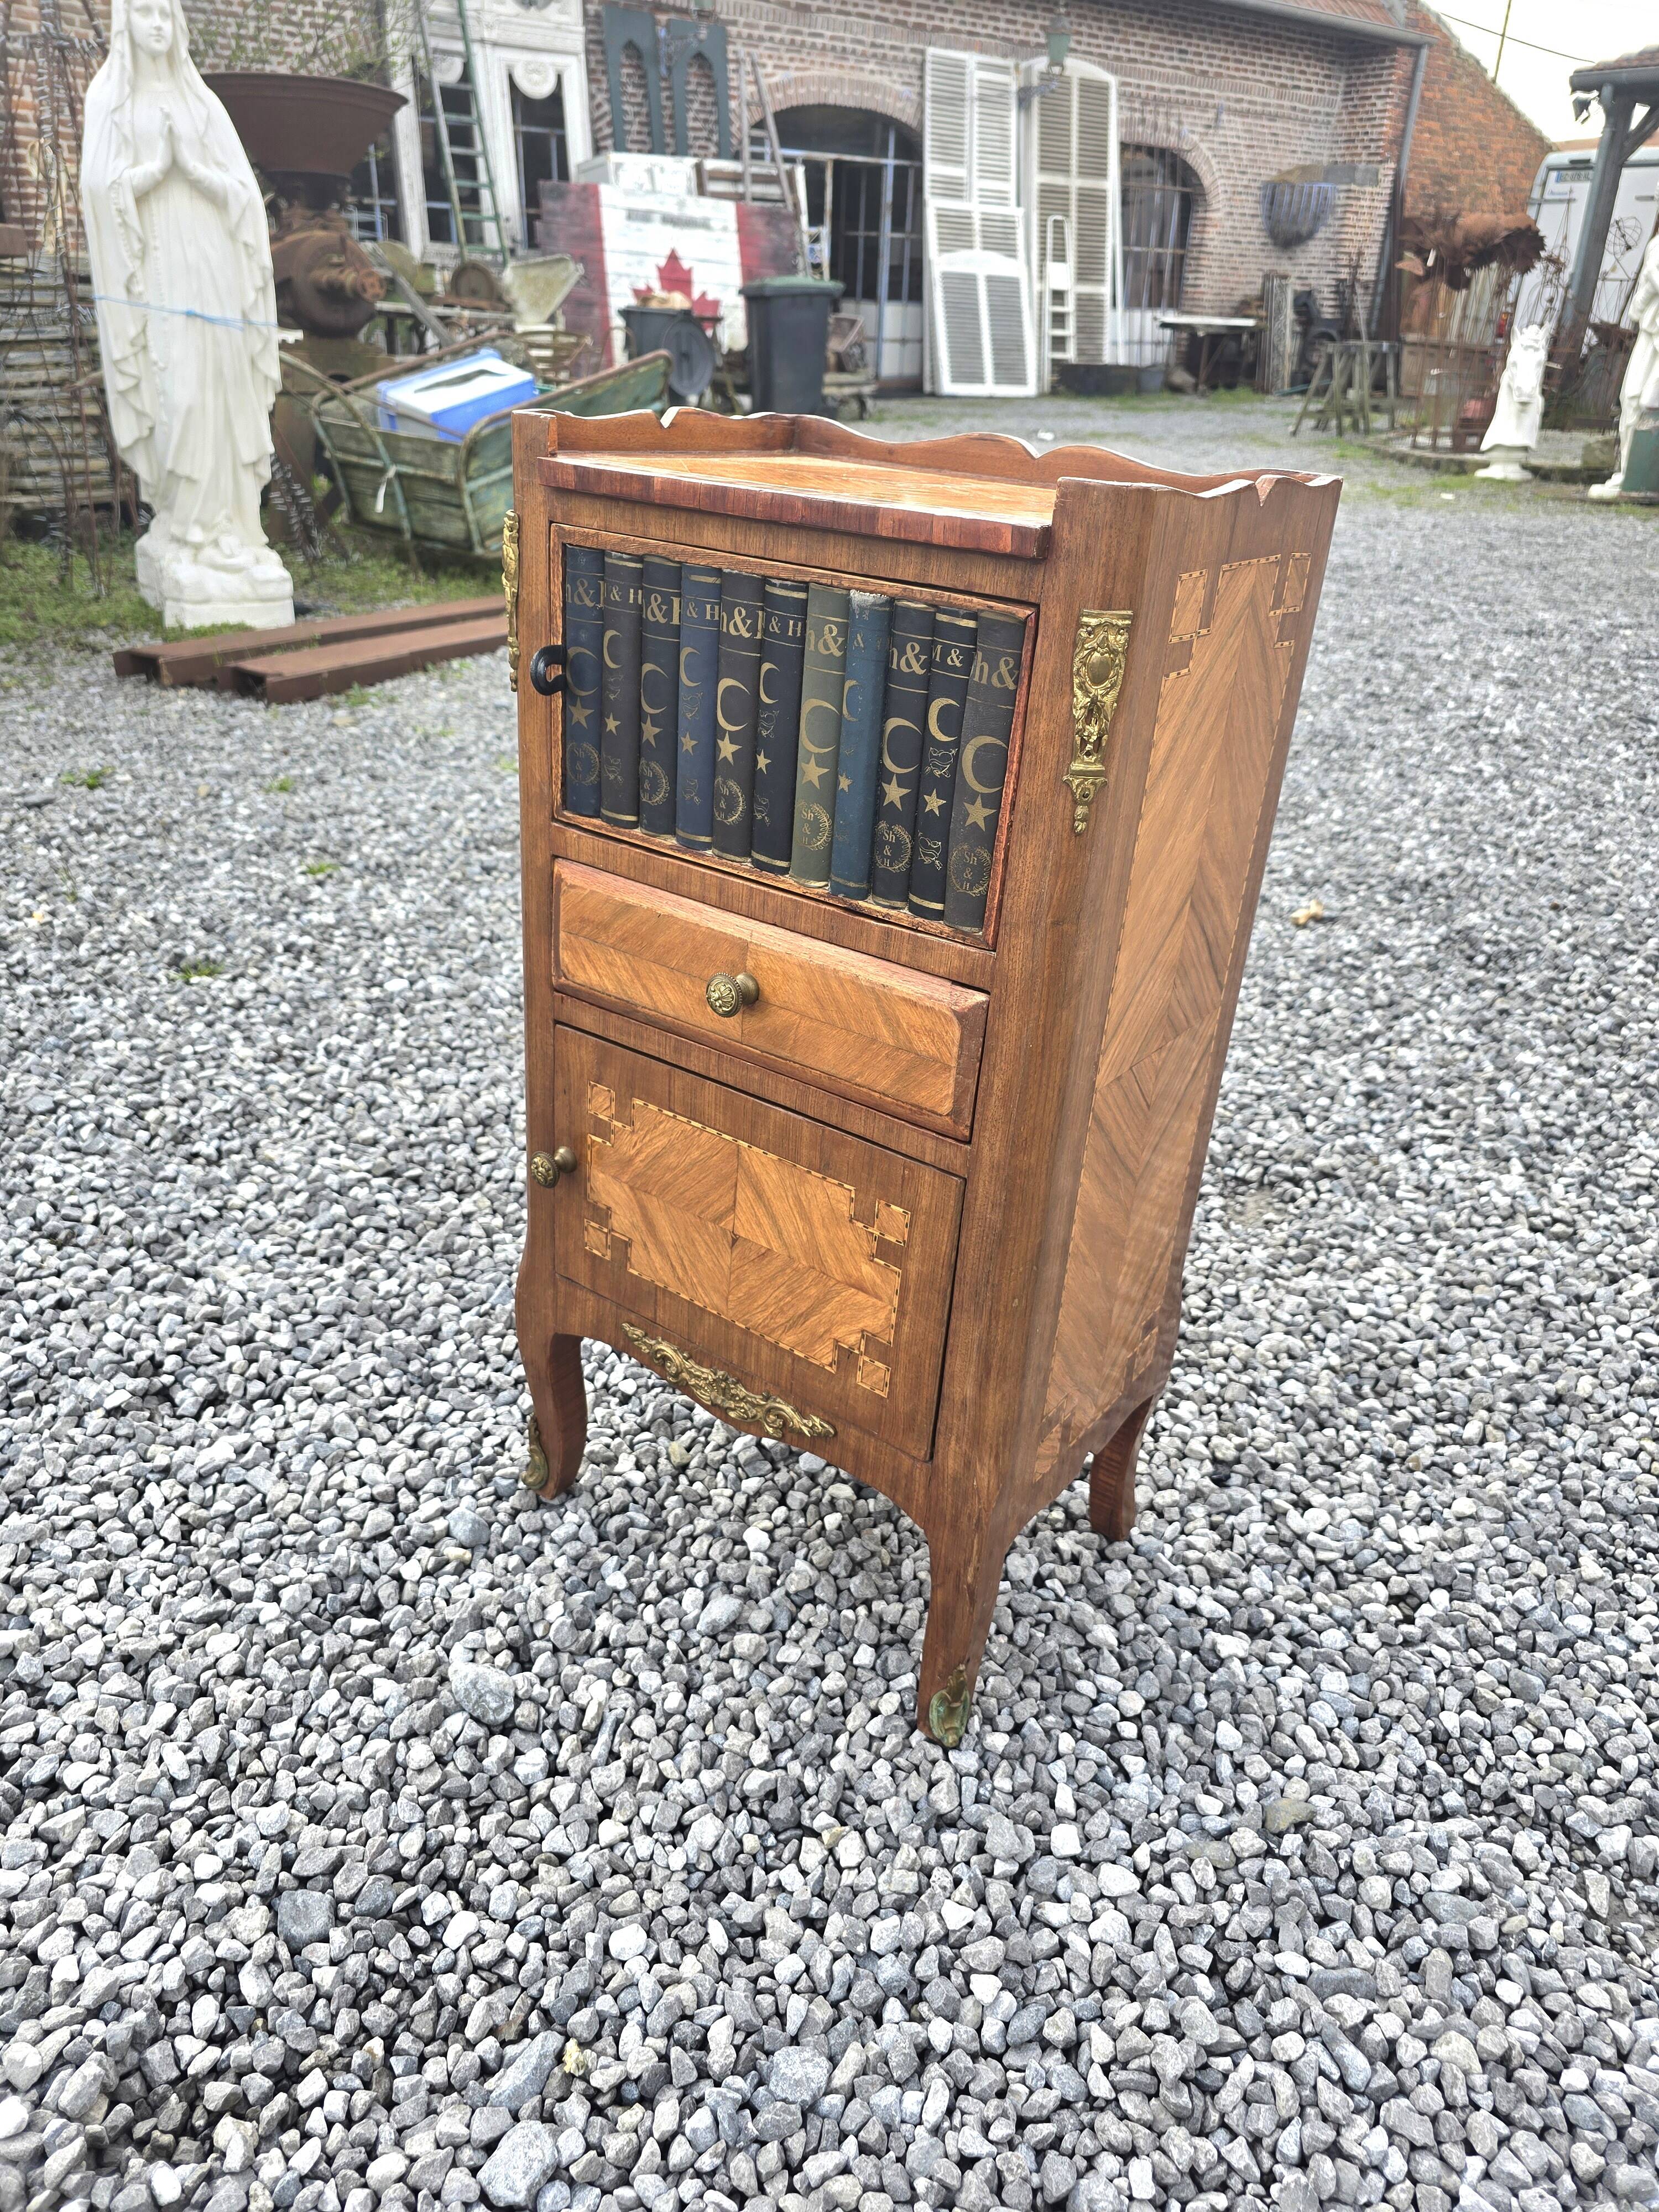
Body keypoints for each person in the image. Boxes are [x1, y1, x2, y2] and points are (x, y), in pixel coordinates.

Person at [81, 0, 293, 625]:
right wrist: (149, 175)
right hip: (158, 276)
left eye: (166, 15)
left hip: (216, 269)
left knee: (227, 393)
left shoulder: (203, 104)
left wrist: (197, 174)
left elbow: (247, 197)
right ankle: (186, 531)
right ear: (125, 24)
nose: (156, 25)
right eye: (143, 13)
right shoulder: (110, 101)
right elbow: (99, 188)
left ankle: (237, 533)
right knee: (183, 396)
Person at [1589, 232, 1659, 502]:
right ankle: (1629, 471)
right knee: (1631, 399)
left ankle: (1643, 474)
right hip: (1649, 333)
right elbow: (1636, 309)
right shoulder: (1655, 245)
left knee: (1649, 402)